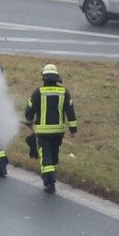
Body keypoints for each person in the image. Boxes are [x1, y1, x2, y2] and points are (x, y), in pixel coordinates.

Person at [24, 63, 77, 194]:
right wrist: (73, 129)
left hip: (43, 133)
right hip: (58, 132)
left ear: (44, 78)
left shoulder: (38, 92)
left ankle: (49, 182)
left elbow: (29, 109)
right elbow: (70, 112)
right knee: (53, 155)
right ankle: (52, 176)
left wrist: (29, 122)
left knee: (45, 156)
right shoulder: (64, 92)